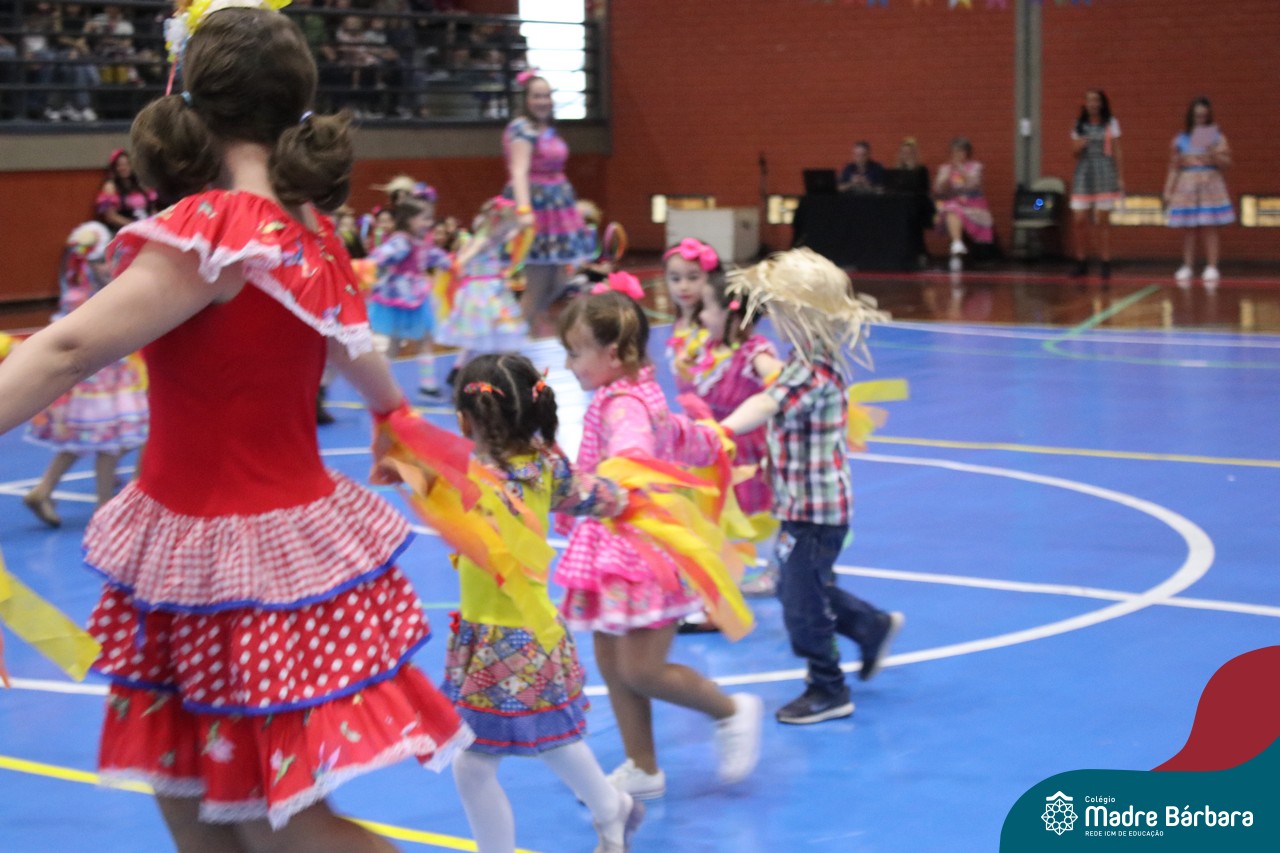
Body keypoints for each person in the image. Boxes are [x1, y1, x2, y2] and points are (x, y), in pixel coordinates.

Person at [0, 6, 471, 849]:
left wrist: (386, 414)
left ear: (189, 94)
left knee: (269, 818)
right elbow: (355, 347)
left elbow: (68, 349)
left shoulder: (217, 229)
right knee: (196, 790)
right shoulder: (312, 228)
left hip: (231, 556)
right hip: (221, 548)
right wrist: (388, 416)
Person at [431, 354, 645, 853]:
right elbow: (601, 497)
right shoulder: (546, 467)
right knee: (552, 739)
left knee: (474, 764)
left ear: (464, 421)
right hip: (528, 636)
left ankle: (610, 810)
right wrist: (633, 496)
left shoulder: (468, 475)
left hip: (505, 642)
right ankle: (613, 809)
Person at [555, 288, 764, 800]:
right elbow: (683, 436)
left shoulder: (625, 404)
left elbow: (634, 455)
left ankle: (731, 711)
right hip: (613, 546)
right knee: (611, 662)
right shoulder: (632, 393)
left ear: (613, 354)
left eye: (576, 353)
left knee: (641, 669)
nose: (569, 364)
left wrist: (597, 489)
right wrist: (714, 438)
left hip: (641, 552)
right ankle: (642, 767)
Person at [720, 248, 904, 725]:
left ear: (802, 315)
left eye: (781, 310)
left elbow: (768, 404)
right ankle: (869, 624)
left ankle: (828, 687)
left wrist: (722, 430)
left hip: (815, 515)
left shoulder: (811, 371)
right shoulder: (808, 360)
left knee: (801, 603)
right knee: (798, 586)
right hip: (804, 508)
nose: (774, 318)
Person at [22, 221, 148, 527]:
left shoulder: (83, 292)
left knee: (91, 439)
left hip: (102, 378)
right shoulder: (89, 297)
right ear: (87, 263)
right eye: (99, 261)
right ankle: (106, 509)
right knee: (112, 440)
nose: (107, 267)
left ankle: (44, 489)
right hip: (101, 380)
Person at [681, 265, 784, 598]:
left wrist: (780, 379)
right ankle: (712, 570)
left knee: (762, 512)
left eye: (709, 308)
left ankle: (780, 569)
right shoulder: (710, 350)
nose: (702, 316)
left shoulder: (755, 352)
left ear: (733, 315)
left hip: (746, 452)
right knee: (709, 511)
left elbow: (778, 376)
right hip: (711, 449)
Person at [503, 71, 596, 337]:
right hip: (538, 212)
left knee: (559, 281)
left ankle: (525, 332)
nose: (543, 101)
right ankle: (511, 342)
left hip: (558, 211)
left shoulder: (547, 129)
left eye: (546, 95)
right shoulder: (522, 128)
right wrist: (524, 211)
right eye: (537, 96)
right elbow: (519, 170)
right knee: (537, 285)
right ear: (526, 99)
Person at [434, 197, 529, 380]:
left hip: (491, 288)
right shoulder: (482, 240)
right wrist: (460, 263)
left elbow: (517, 228)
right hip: (482, 292)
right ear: (496, 222)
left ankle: (458, 369)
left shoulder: (493, 237)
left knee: (483, 333)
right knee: (489, 330)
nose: (507, 230)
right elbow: (463, 258)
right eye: (505, 225)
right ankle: (495, 369)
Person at [365, 196, 447, 397]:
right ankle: (379, 383)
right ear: (409, 219)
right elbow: (380, 256)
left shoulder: (421, 241)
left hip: (417, 297)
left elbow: (433, 256)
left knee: (424, 338)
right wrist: (373, 264)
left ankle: (427, 385)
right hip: (401, 298)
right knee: (395, 343)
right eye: (424, 218)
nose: (429, 223)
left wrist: (450, 263)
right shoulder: (402, 240)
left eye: (430, 218)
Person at [1163, 96, 1234, 285]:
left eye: (1204, 116)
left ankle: (1212, 266)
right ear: (1191, 116)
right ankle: (1187, 265)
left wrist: (1212, 151)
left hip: (1210, 185)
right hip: (1187, 186)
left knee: (1209, 226)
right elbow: (1174, 166)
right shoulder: (1181, 139)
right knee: (1189, 228)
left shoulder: (1217, 137)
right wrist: (1168, 190)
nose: (1200, 119)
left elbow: (1226, 163)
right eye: (1197, 116)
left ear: (1208, 116)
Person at [1070, 89, 1125, 280]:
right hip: (1084, 171)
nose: (1093, 103)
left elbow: (1117, 150)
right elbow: (1074, 152)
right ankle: (1081, 261)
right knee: (1079, 219)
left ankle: (1105, 261)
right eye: (1089, 100)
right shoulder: (1079, 125)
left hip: (1104, 170)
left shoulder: (1111, 123)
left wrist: (1120, 177)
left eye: (1096, 100)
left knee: (1103, 220)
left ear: (1102, 103)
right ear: (1085, 103)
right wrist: (1079, 144)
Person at [662, 237, 717, 394]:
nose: (683, 287)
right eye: (675, 279)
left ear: (709, 277)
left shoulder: (713, 325)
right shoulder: (680, 323)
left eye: (693, 278)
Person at [933, 136, 994, 270]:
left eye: (961, 151)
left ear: (967, 152)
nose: (958, 154)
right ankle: (957, 243)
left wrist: (960, 169)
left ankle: (956, 246)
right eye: (955, 151)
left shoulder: (975, 167)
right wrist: (946, 178)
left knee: (952, 209)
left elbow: (973, 184)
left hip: (973, 203)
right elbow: (938, 189)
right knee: (951, 209)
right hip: (953, 202)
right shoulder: (945, 168)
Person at [95, 148, 157, 232]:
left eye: (127, 164)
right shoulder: (111, 186)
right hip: (123, 229)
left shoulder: (140, 184)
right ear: (114, 168)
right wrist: (135, 226)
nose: (123, 168)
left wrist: (154, 222)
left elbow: (153, 209)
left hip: (147, 227)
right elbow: (111, 217)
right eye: (119, 165)